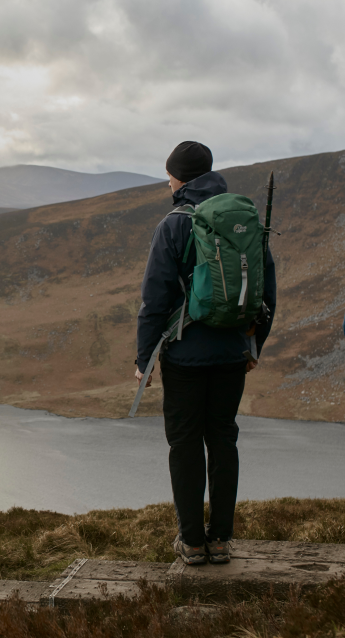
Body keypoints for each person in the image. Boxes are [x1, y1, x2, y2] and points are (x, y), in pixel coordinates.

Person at [136, 141, 276, 565]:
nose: (168, 181)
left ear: (179, 178)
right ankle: (221, 540)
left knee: (184, 445)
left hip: (184, 356)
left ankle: (193, 542)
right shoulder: (243, 220)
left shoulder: (174, 223)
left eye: (170, 175)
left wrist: (145, 359)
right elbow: (265, 291)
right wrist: (253, 345)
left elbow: (155, 298)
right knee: (223, 439)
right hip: (233, 354)